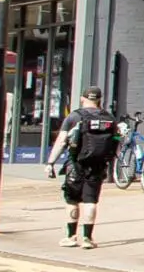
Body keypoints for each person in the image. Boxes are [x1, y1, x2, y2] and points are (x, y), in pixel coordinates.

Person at [49, 90, 121, 249]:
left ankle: (71, 236)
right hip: (98, 164)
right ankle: (87, 238)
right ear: (100, 99)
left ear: (82, 98)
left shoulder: (75, 116)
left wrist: (51, 162)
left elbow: (61, 141)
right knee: (91, 200)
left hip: (76, 164)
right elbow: (116, 142)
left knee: (72, 200)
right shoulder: (109, 118)